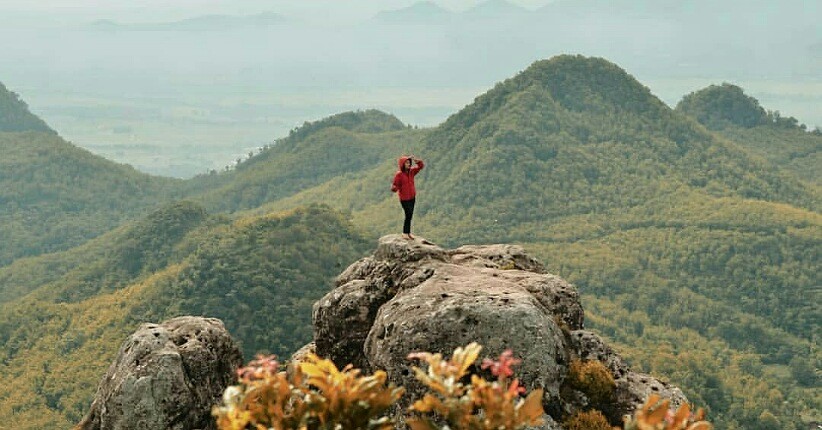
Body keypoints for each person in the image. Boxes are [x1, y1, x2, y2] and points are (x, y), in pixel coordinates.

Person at [391, 155, 424, 240]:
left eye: (409, 162)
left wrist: (417, 161)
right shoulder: (399, 175)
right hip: (404, 199)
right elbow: (395, 185)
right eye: (406, 163)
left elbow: (421, 166)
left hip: (412, 197)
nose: (408, 164)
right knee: (408, 214)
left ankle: (408, 233)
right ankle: (405, 233)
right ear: (402, 164)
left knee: (410, 215)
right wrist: (394, 188)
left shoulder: (412, 172)